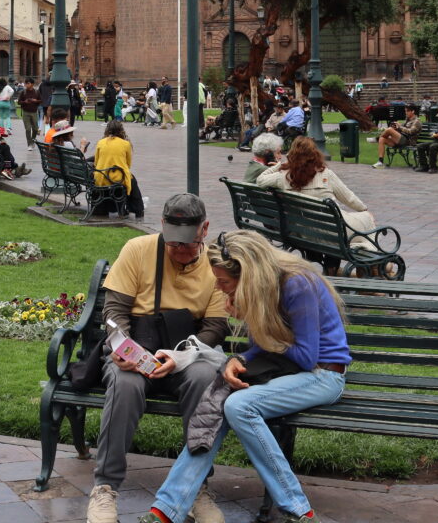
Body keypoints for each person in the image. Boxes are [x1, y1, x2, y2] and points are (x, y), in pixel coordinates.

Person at [136, 229, 348, 523]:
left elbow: (305, 357)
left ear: (248, 275)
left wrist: (252, 316)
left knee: (239, 405)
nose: (220, 288)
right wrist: (239, 359)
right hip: (288, 373)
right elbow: (265, 349)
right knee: (217, 400)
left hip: (323, 376)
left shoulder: (297, 284)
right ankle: (165, 509)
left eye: (224, 282)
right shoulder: (263, 288)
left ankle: (300, 510)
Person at [86, 194, 229, 523]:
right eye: (173, 243)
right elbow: (115, 311)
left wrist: (183, 356)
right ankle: (105, 487)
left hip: (189, 350)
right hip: (137, 346)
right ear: (162, 225)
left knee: (205, 380)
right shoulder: (137, 249)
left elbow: (216, 326)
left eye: (188, 244)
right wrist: (123, 349)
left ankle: (195, 487)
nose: (179, 251)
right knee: (125, 384)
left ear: (205, 229)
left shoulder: (215, 262)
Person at [256, 137, 380, 265]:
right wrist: (364, 210)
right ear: (315, 154)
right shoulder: (326, 174)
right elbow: (349, 198)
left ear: (291, 155)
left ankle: (345, 261)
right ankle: (369, 259)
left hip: (303, 233)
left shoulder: (283, 177)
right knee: (367, 219)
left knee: (336, 224)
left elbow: (260, 180)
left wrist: (279, 165)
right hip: (333, 232)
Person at [90, 119, 145, 218]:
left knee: (130, 179)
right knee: (132, 180)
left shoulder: (100, 142)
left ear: (107, 130)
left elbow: (96, 162)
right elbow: (128, 165)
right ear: (121, 130)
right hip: (118, 178)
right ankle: (138, 209)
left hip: (101, 178)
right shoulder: (126, 144)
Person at [371, 103, 421, 168]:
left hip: (408, 141)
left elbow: (410, 132)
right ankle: (380, 162)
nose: (406, 113)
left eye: (407, 111)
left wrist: (400, 127)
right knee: (382, 139)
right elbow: (401, 129)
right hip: (400, 139)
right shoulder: (407, 120)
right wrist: (396, 127)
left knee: (389, 130)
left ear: (413, 111)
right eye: (405, 111)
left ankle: (376, 139)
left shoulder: (417, 121)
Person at [18, 79, 42, 147]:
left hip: (34, 112)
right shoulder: (23, 92)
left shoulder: (36, 92)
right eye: (26, 83)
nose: (26, 85)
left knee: (35, 129)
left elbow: (41, 100)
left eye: (28, 83)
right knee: (28, 129)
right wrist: (25, 102)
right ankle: (29, 144)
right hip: (26, 112)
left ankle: (33, 140)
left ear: (32, 84)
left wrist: (35, 101)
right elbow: (19, 102)